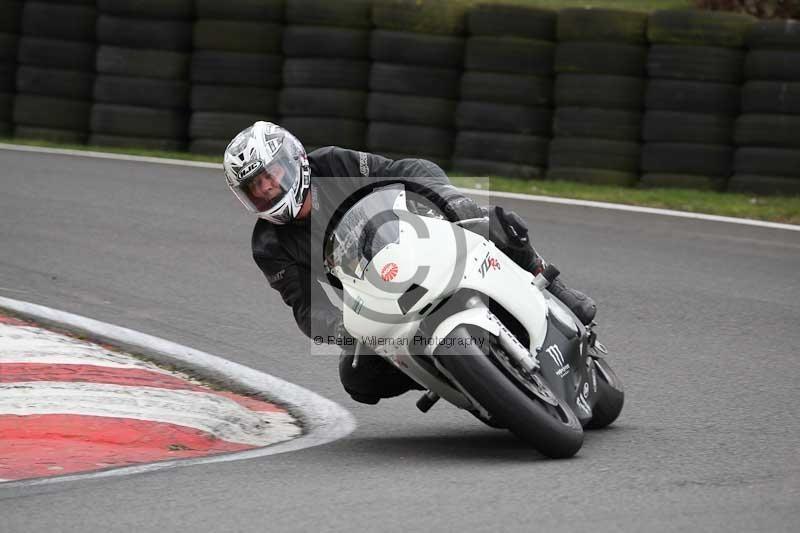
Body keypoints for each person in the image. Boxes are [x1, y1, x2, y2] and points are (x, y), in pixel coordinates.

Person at [223, 121, 596, 405]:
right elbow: (305, 306)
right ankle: (453, 375)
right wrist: (343, 331)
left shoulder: (333, 162)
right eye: (254, 187)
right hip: (377, 298)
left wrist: (447, 200)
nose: (266, 190)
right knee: (357, 381)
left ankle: (551, 284)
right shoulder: (268, 246)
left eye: (269, 176)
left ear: (294, 160)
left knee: (498, 221)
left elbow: (401, 169)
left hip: (416, 241)